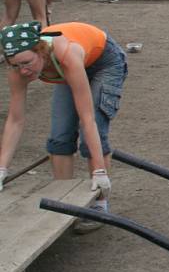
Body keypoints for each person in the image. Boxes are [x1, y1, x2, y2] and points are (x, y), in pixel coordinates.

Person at [0, 21, 128, 233]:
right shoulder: (18, 68)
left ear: (40, 51)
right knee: (59, 137)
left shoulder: (66, 55)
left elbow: (87, 119)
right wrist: (2, 168)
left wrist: (99, 171)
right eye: (15, 65)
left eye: (27, 63)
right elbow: (15, 119)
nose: (23, 71)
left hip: (103, 61)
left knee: (91, 134)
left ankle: (100, 204)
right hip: (63, 67)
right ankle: (66, 204)